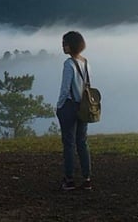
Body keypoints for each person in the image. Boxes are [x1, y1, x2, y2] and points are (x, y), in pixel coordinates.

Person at [56, 30, 92, 191]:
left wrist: (59, 106)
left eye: (65, 43)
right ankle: (87, 178)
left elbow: (65, 89)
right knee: (82, 143)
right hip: (84, 107)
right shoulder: (86, 63)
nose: (63, 46)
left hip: (70, 106)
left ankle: (69, 179)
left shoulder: (68, 64)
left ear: (71, 45)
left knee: (69, 144)